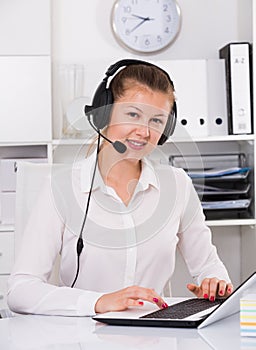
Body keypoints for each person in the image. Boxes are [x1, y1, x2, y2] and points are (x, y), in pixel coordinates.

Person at [7, 59, 233, 316]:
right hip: (82, 336)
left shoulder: (177, 185)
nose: (144, 132)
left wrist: (214, 283)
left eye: (157, 121)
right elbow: (20, 290)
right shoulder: (61, 188)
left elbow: (210, 268)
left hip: (156, 335)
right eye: (133, 114)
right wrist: (98, 302)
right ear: (104, 113)